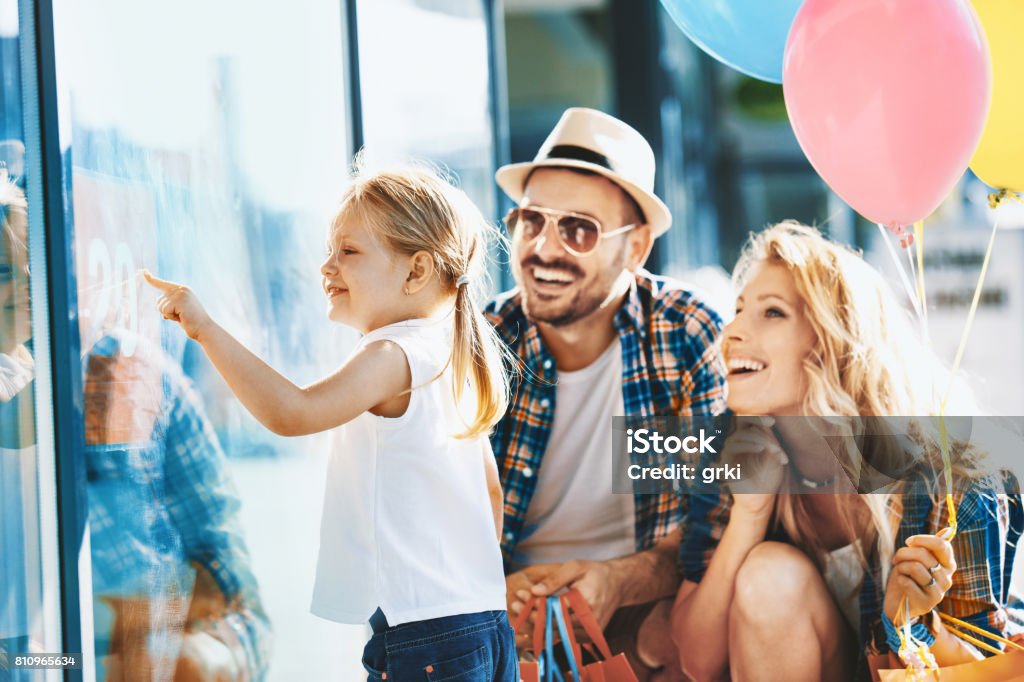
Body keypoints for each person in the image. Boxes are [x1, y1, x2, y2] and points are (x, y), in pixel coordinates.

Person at [145, 161, 519, 681]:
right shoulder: (453, 355)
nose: (326, 268)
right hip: (481, 623)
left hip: (425, 634)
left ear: (417, 271)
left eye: (348, 252)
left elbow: (293, 412)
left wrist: (205, 328)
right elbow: (492, 493)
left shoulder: (392, 354)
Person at [671, 222, 1024, 682]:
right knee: (767, 574)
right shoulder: (735, 448)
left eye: (771, 313)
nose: (733, 329)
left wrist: (909, 622)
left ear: (833, 338)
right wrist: (749, 516)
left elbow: (987, 669)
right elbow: (696, 661)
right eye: (738, 310)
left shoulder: (953, 478)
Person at [485, 107, 727, 676]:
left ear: (637, 247)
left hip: (642, 615)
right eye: (530, 220)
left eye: (578, 229)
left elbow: (707, 526)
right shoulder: (483, 344)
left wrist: (619, 581)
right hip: (501, 616)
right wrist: (491, 594)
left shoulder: (682, 335)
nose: (544, 248)